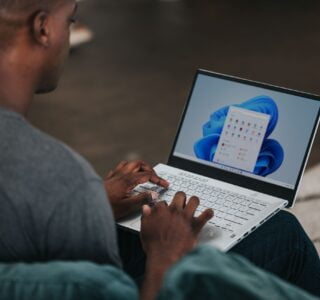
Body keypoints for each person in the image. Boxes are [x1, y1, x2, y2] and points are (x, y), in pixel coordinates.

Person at [0, 0, 319, 298]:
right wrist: (167, 255)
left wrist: (96, 202)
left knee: (136, 225)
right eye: (69, 21)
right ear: (43, 28)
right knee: (283, 232)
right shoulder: (53, 174)